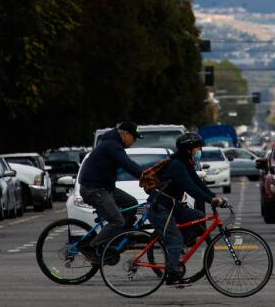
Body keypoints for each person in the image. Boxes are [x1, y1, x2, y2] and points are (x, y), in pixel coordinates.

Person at [146, 131, 226, 286]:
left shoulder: (185, 163)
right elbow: (191, 188)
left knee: (196, 215)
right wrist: (211, 200)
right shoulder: (177, 166)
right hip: (160, 207)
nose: (200, 151)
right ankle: (171, 275)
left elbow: (198, 182)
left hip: (172, 205)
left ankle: (180, 244)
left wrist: (214, 196)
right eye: (197, 148)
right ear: (188, 149)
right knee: (175, 240)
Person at [77, 122, 143, 260]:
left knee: (131, 203)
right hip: (93, 189)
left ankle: (118, 237)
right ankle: (90, 247)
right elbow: (128, 164)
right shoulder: (112, 145)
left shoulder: (113, 144)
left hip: (105, 188)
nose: (134, 142)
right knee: (117, 221)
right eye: (134, 137)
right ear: (125, 134)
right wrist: (146, 176)